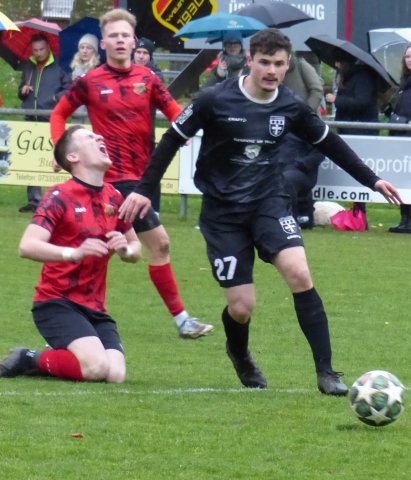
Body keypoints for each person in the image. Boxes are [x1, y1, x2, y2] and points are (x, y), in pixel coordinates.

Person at [119, 28, 402, 395]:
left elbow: (330, 143)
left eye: (279, 64)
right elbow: (172, 138)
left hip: (270, 203)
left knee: (299, 273)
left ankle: (327, 373)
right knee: (241, 307)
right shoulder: (214, 100)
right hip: (222, 213)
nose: (271, 71)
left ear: (287, 65)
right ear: (250, 60)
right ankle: (239, 353)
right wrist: (144, 190)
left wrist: (372, 180)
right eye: (265, 62)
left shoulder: (291, 106)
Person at [50, 8, 213, 339]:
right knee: (156, 244)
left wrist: (188, 129)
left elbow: (174, 112)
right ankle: (182, 320)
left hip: (141, 180)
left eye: (125, 35)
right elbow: (58, 114)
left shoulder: (148, 79)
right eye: (113, 35)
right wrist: (60, 150)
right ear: (104, 42)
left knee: (104, 250)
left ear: (134, 40)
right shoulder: (90, 81)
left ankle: (66, 312)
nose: (120, 40)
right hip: (111, 182)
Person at [0, 125, 141, 382]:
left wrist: (126, 249)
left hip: (95, 307)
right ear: (72, 157)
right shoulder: (59, 196)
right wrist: (74, 253)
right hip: (56, 302)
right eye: (89, 137)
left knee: (115, 375)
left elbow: (135, 250)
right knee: (96, 368)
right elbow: (27, 246)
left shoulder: (114, 196)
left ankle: (52, 358)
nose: (99, 137)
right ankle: (28, 357)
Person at [18, 33, 71, 213]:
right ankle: (33, 200)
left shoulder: (60, 66)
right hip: (30, 117)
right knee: (30, 159)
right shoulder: (28, 65)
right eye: (35, 50)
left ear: (48, 47)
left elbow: (68, 89)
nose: (38, 53)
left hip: (50, 117)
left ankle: (54, 199)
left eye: (41, 49)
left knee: (52, 158)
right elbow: (20, 91)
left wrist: (54, 98)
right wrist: (23, 90)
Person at [325, 50, 380, 222]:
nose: (336, 66)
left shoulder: (363, 77)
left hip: (361, 132)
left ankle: (360, 214)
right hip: (348, 130)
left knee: (359, 169)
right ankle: (357, 213)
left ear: (346, 62)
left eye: (339, 62)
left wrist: (336, 100)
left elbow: (362, 102)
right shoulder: (347, 78)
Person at [281, 54, 325, 228]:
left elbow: (317, 90)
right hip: (281, 163)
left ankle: (291, 220)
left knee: (287, 179)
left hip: (299, 167)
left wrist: (305, 113)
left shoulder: (302, 66)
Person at [133, 37, 163, 215]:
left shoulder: (156, 74)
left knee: (152, 171)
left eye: (145, 53)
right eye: (138, 52)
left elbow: (145, 91)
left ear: (150, 56)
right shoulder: (125, 71)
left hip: (146, 133)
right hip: (126, 133)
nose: (141, 56)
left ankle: (155, 209)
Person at [386, 44, 411, 233]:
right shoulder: (403, 83)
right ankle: (405, 219)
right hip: (401, 136)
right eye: (407, 57)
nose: (410, 60)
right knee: (403, 179)